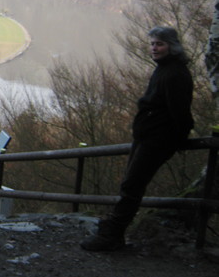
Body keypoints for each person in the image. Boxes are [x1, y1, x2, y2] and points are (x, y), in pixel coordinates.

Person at [81, 26, 194, 251]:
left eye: (159, 44)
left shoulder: (175, 74)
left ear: (172, 46)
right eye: (152, 43)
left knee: (132, 185)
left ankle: (112, 236)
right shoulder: (164, 69)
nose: (154, 48)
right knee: (130, 184)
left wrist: (177, 139)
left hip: (157, 140)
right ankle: (114, 234)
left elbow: (180, 113)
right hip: (148, 137)